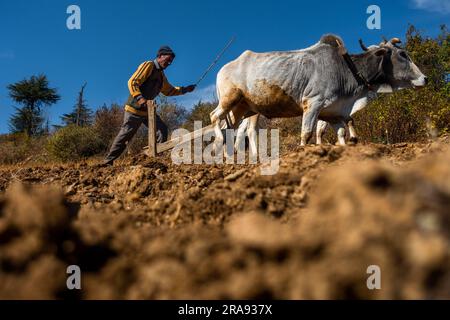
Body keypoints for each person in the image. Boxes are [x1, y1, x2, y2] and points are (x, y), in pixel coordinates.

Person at [102, 45, 196, 166]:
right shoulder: (149, 65)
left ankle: (156, 159)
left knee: (162, 130)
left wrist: (185, 89)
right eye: (167, 60)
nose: (169, 63)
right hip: (134, 110)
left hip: (148, 112)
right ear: (160, 56)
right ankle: (107, 162)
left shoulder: (161, 76)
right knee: (126, 135)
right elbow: (133, 81)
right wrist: (140, 99)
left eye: (171, 62)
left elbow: (169, 91)